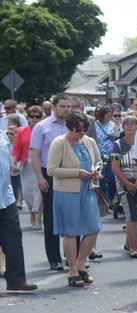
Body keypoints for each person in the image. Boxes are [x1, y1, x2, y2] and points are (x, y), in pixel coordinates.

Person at [46, 111, 102, 287]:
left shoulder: (89, 141)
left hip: (88, 189)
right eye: (78, 129)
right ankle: (72, 270)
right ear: (69, 128)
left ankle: (80, 264)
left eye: (85, 129)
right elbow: (52, 170)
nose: (82, 133)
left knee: (93, 228)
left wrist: (96, 170)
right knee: (71, 231)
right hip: (67, 193)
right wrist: (77, 173)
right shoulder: (59, 143)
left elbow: (99, 161)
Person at [31, 93, 72, 271]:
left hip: (70, 174)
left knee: (72, 217)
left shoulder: (73, 125)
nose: (66, 109)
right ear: (54, 107)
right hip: (49, 174)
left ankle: (72, 258)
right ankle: (54, 258)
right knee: (51, 218)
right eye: (63, 106)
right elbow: (35, 154)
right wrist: (40, 177)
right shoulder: (42, 127)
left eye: (68, 106)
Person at [0, 128, 36, 291]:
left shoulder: (1, 134)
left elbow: (5, 165)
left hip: (5, 196)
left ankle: (15, 279)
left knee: (13, 236)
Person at [111, 115, 137, 259]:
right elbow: (115, 167)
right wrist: (126, 183)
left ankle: (128, 242)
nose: (129, 126)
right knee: (132, 214)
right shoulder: (118, 144)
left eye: (133, 124)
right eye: (126, 124)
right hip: (124, 184)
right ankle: (134, 248)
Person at [12, 105, 43, 228]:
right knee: (28, 193)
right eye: (32, 116)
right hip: (26, 166)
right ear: (28, 117)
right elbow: (16, 149)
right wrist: (13, 163)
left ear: (41, 118)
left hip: (41, 165)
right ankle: (31, 209)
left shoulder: (43, 130)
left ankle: (38, 218)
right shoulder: (21, 131)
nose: (35, 119)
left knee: (39, 191)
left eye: (38, 116)